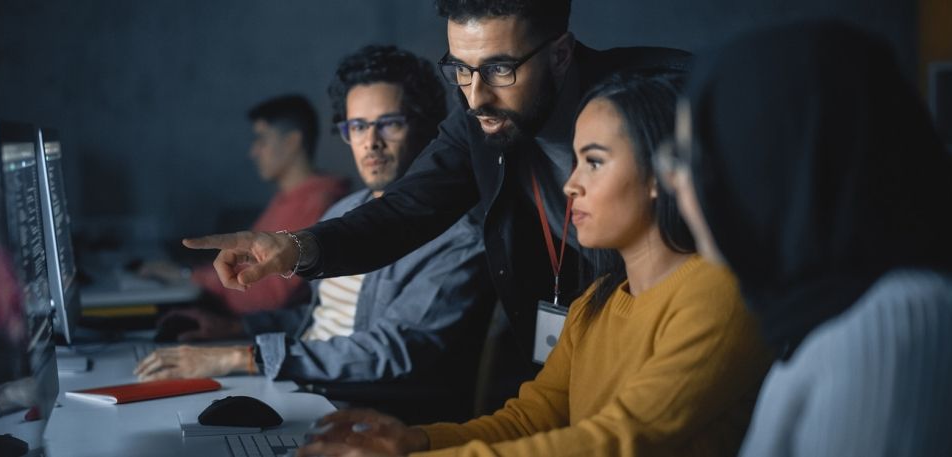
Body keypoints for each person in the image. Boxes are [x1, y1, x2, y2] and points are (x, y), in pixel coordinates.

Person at [180, 1, 691, 374]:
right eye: (460, 70)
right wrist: (293, 246)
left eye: (499, 69)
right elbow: (404, 211)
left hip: (678, 330)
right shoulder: (480, 121)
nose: (475, 96)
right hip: (573, 347)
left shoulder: (662, 97)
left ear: (560, 54)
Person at [298, 73, 771, 457]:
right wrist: (412, 441)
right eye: (575, 162)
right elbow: (532, 418)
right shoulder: (596, 302)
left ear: (661, 174)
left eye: (595, 161)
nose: (570, 186)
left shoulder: (717, 293)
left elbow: (619, 439)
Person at [654, 21, 952, 456]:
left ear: (768, 165)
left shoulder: (893, 332)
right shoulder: (830, 315)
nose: (676, 183)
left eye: (688, 155)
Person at [135, 45, 495, 422]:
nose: (371, 142)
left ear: (424, 128)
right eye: (357, 126)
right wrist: (234, 328)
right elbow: (319, 323)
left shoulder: (458, 237)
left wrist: (243, 357)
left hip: (358, 413)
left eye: (389, 123)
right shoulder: (343, 213)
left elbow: (393, 351)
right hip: (298, 387)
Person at [145, 95, 349, 339]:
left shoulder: (316, 203)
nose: (253, 151)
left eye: (261, 139)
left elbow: (265, 298)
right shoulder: (287, 197)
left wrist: (188, 276)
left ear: (292, 142)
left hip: (260, 332)